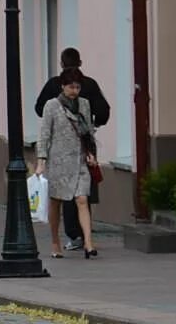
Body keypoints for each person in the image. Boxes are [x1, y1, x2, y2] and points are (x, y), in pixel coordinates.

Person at [34, 48, 110, 251]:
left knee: (80, 197)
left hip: (81, 151)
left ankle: (83, 239)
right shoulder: (89, 85)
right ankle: (59, 241)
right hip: (60, 156)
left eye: (77, 87)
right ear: (80, 61)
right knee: (66, 199)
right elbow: (103, 111)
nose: (75, 90)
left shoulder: (57, 86)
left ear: (61, 63)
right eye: (71, 87)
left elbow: (37, 107)